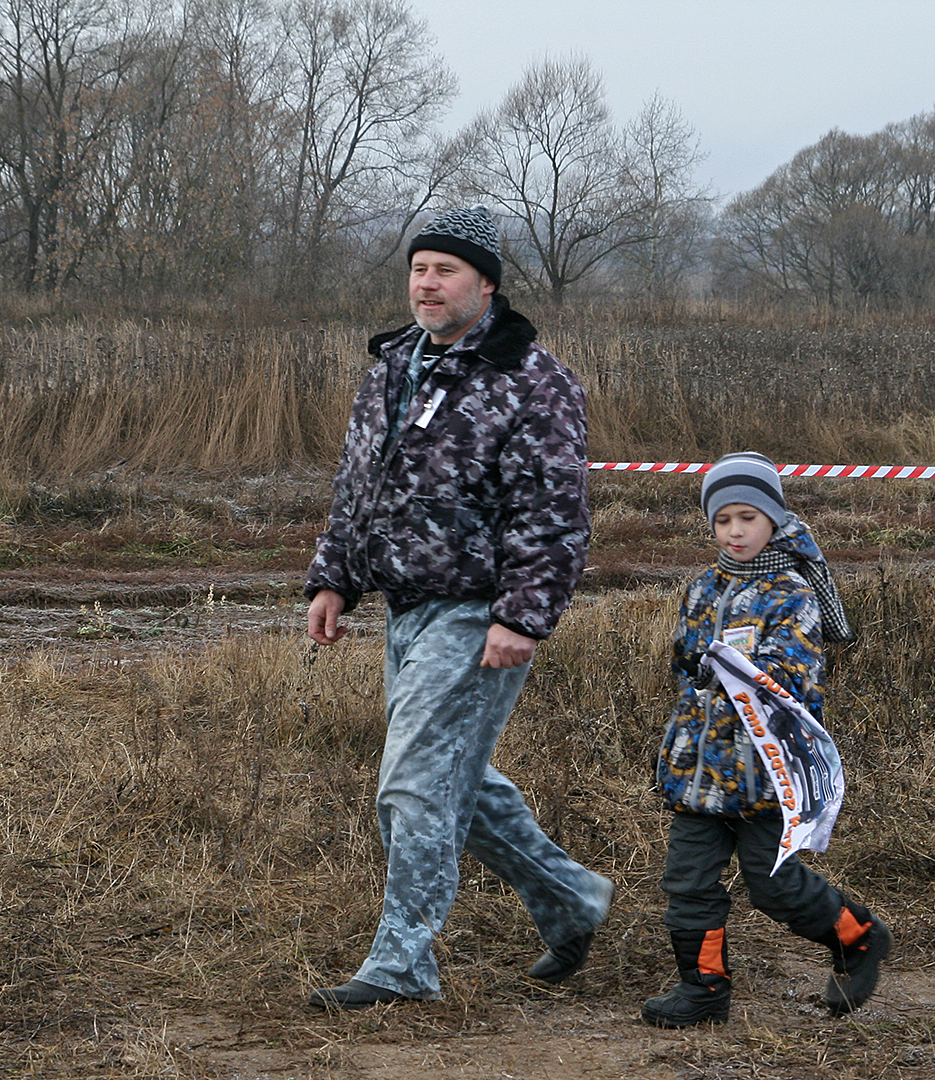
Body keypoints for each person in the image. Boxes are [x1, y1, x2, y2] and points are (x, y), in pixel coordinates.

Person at [303, 206, 613, 1010]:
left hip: (477, 612)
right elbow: (356, 484)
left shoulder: (532, 380)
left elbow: (553, 512)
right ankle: (573, 899)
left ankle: (402, 967)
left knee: (413, 783)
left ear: (487, 285)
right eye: (419, 269)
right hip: (404, 609)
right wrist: (334, 577)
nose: (427, 284)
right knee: (453, 778)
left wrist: (521, 615)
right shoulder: (392, 366)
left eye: (446, 270)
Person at [642, 452, 889, 1027]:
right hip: (700, 772)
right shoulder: (702, 589)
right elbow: (683, 662)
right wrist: (698, 674)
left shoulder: (792, 594)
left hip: (767, 773)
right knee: (688, 883)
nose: (735, 530)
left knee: (773, 887)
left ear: (773, 519)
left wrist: (735, 671)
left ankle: (857, 937)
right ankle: (704, 990)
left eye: (747, 517)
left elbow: (791, 677)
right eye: (722, 519)